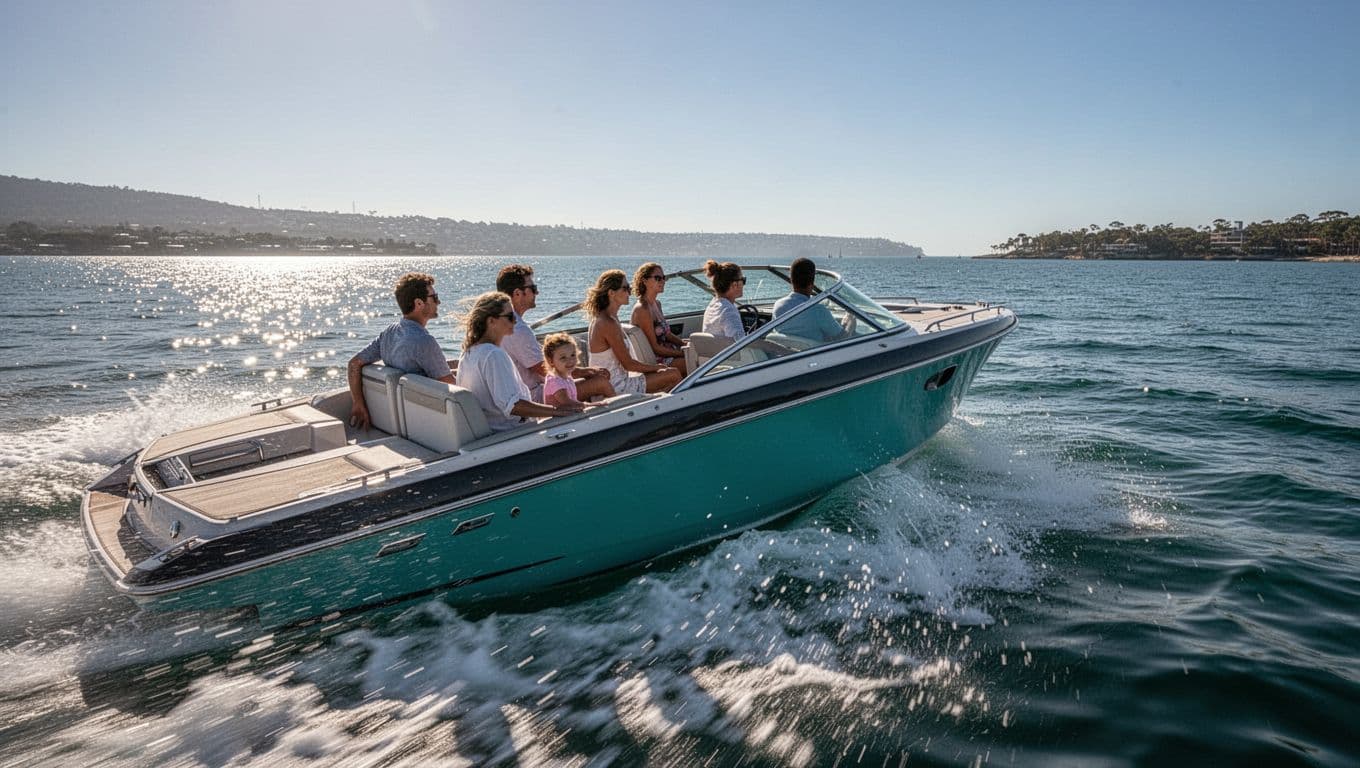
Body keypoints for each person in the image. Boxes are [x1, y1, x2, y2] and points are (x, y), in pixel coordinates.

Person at [456, 292, 582, 432]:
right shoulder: (493, 355)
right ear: (491, 321)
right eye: (510, 317)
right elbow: (514, 406)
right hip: (513, 432)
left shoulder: (468, 352)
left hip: (495, 429)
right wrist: (557, 411)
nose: (515, 321)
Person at [347, 272, 454, 429]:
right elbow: (450, 385)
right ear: (419, 303)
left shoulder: (389, 333)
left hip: (403, 420)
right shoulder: (424, 341)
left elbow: (354, 364)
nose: (439, 302)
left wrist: (358, 403)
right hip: (429, 422)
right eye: (434, 297)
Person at [496, 264, 614, 402]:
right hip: (535, 395)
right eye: (533, 289)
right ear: (517, 293)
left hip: (527, 391)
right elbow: (547, 370)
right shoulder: (518, 329)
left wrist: (586, 371)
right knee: (600, 383)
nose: (537, 293)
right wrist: (588, 371)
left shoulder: (503, 323)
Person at [586, 270, 681, 394]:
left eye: (629, 288)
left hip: (620, 379)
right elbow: (629, 365)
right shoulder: (607, 322)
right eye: (625, 289)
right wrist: (656, 367)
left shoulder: (608, 318)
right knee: (673, 374)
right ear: (611, 293)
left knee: (669, 374)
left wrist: (655, 369)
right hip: (616, 385)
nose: (629, 293)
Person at [630, 262, 688, 376]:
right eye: (658, 278)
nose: (662, 281)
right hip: (657, 360)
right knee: (698, 362)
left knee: (699, 349)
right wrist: (682, 353)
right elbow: (655, 348)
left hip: (667, 353)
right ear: (644, 281)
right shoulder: (642, 309)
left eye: (663, 278)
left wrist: (684, 344)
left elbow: (667, 335)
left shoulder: (657, 304)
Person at [771, 257, 848, 341]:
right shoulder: (818, 310)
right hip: (818, 353)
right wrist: (849, 321)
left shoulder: (778, 305)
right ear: (812, 282)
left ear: (791, 280)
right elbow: (842, 337)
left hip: (789, 352)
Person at [541, 332, 598, 410]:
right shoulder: (554, 381)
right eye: (563, 358)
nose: (570, 360)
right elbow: (567, 402)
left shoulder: (567, 376)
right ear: (551, 361)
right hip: (560, 421)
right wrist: (591, 405)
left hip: (569, 416)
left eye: (573, 355)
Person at [700, 260, 747, 340]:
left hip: (713, 352)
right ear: (734, 284)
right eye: (743, 280)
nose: (744, 284)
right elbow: (740, 345)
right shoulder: (729, 311)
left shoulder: (712, 306)